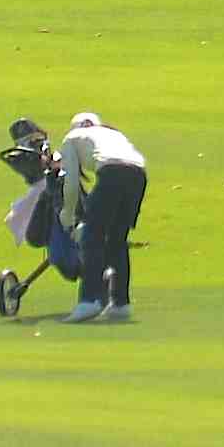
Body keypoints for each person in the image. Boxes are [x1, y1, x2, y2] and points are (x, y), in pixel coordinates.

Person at [53, 101, 148, 323]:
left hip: (112, 172)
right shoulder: (113, 133)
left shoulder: (72, 138)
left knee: (91, 236)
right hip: (139, 174)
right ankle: (120, 303)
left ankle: (89, 300)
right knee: (117, 239)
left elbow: (71, 183)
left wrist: (67, 214)